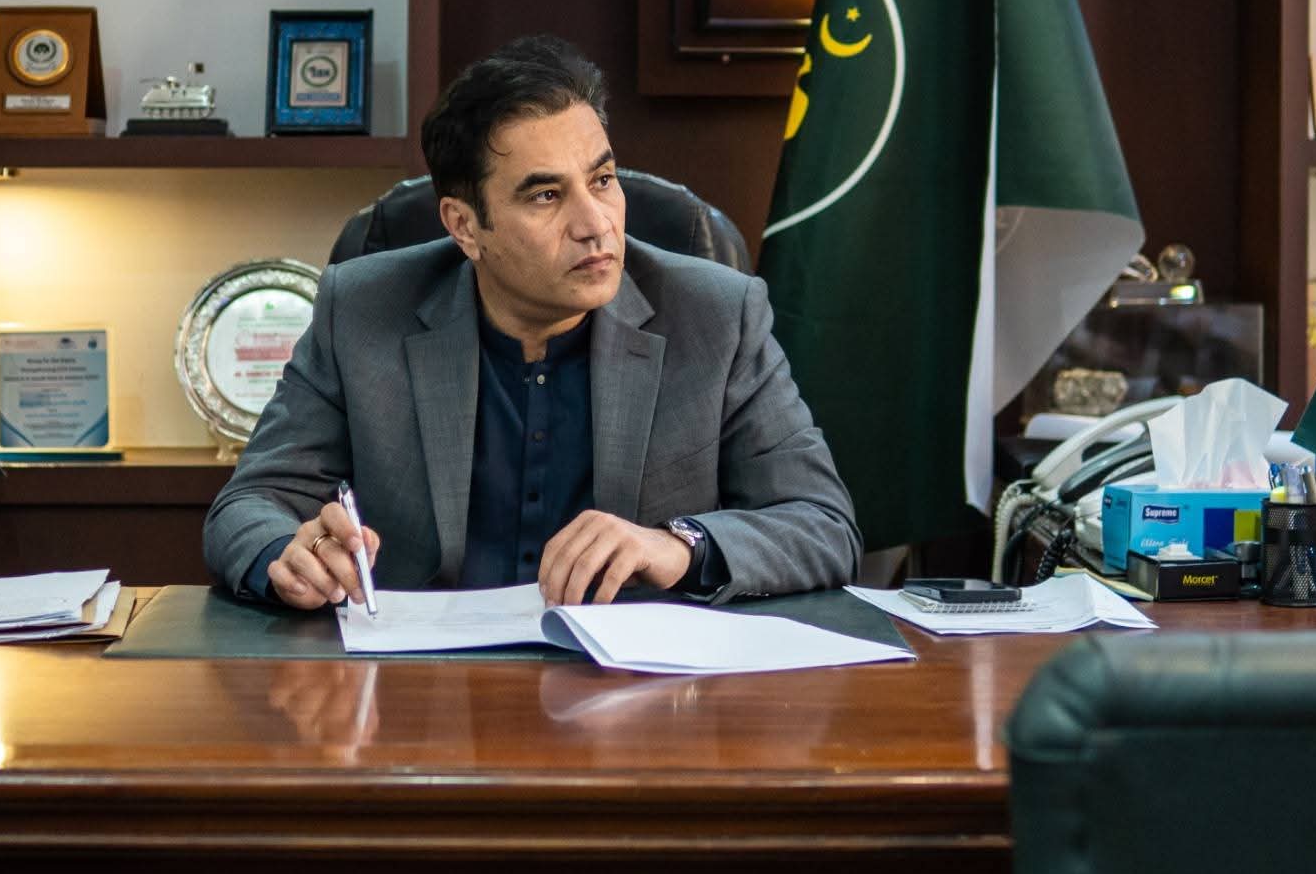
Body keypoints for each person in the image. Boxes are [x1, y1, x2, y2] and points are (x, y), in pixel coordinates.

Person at [203, 35, 859, 610]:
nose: (595, 224)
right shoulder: (363, 310)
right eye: (546, 195)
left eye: (602, 180)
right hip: (420, 686)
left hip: (631, 691)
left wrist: (676, 545)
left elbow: (822, 524)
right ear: (464, 226)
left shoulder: (716, 315)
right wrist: (288, 557)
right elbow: (249, 505)